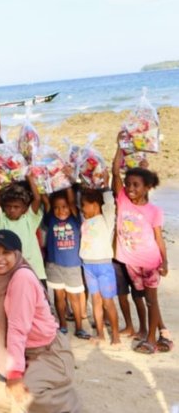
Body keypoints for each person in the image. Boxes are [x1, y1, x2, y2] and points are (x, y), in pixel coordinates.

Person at [0, 230, 80, 413]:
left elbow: (17, 328)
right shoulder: (2, 278)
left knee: (24, 398)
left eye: (6, 253)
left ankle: (68, 401)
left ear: (18, 255)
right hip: (25, 353)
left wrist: (14, 374)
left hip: (48, 352)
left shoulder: (21, 278)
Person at [111, 147, 170, 354]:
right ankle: (154, 335)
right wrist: (120, 147)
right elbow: (115, 172)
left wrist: (165, 262)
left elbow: (159, 238)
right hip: (131, 263)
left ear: (147, 188)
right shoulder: (123, 201)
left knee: (152, 301)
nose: (130, 188)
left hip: (150, 263)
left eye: (136, 185)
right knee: (144, 299)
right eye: (128, 185)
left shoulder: (154, 211)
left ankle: (151, 340)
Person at [42, 189, 90, 339]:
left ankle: (79, 327)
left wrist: (67, 183)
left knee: (74, 297)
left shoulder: (75, 220)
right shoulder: (50, 219)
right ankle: (62, 325)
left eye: (64, 207)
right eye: (56, 207)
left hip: (73, 266)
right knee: (59, 296)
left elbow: (71, 200)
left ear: (70, 207)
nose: (60, 210)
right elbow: (44, 199)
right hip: (54, 265)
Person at [79, 189, 121, 345]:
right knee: (95, 300)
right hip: (88, 266)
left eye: (84, 205)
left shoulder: (106, 220)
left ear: (95, 204)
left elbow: (109, 204)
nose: (82, 208)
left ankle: (115, 336)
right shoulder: (85, 221)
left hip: (103, 266)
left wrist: (104, 184)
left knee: (107, 302)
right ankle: (100, 334)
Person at [0, 177, 46, 283]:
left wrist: (30, 178)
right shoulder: (1, 220)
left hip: (34, 270)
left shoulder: (29, 219)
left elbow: (37, 199)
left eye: (16, 207)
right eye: (8, 206)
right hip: (11, 272)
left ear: (24, 209)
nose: (12, 210)